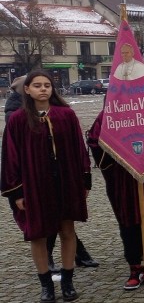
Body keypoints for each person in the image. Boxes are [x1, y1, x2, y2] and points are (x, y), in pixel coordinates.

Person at [1, 70, 90, 302]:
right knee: (38, 235)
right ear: (27, 90)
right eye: (38, 85)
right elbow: (10, 157)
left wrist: (84, 179)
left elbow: (79, 148)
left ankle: (68, 282)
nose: (43, 89)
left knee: (67, 231)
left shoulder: (66, 115)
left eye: (47, 85)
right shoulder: (18, 120)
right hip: (34, 186)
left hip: (65, 183)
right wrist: (16, 191)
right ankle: (46, 285)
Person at [87, 105, 144, 290]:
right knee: (128, 221)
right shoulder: (109, 113)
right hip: (123, 176)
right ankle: (134, 267)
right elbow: (96, 141)